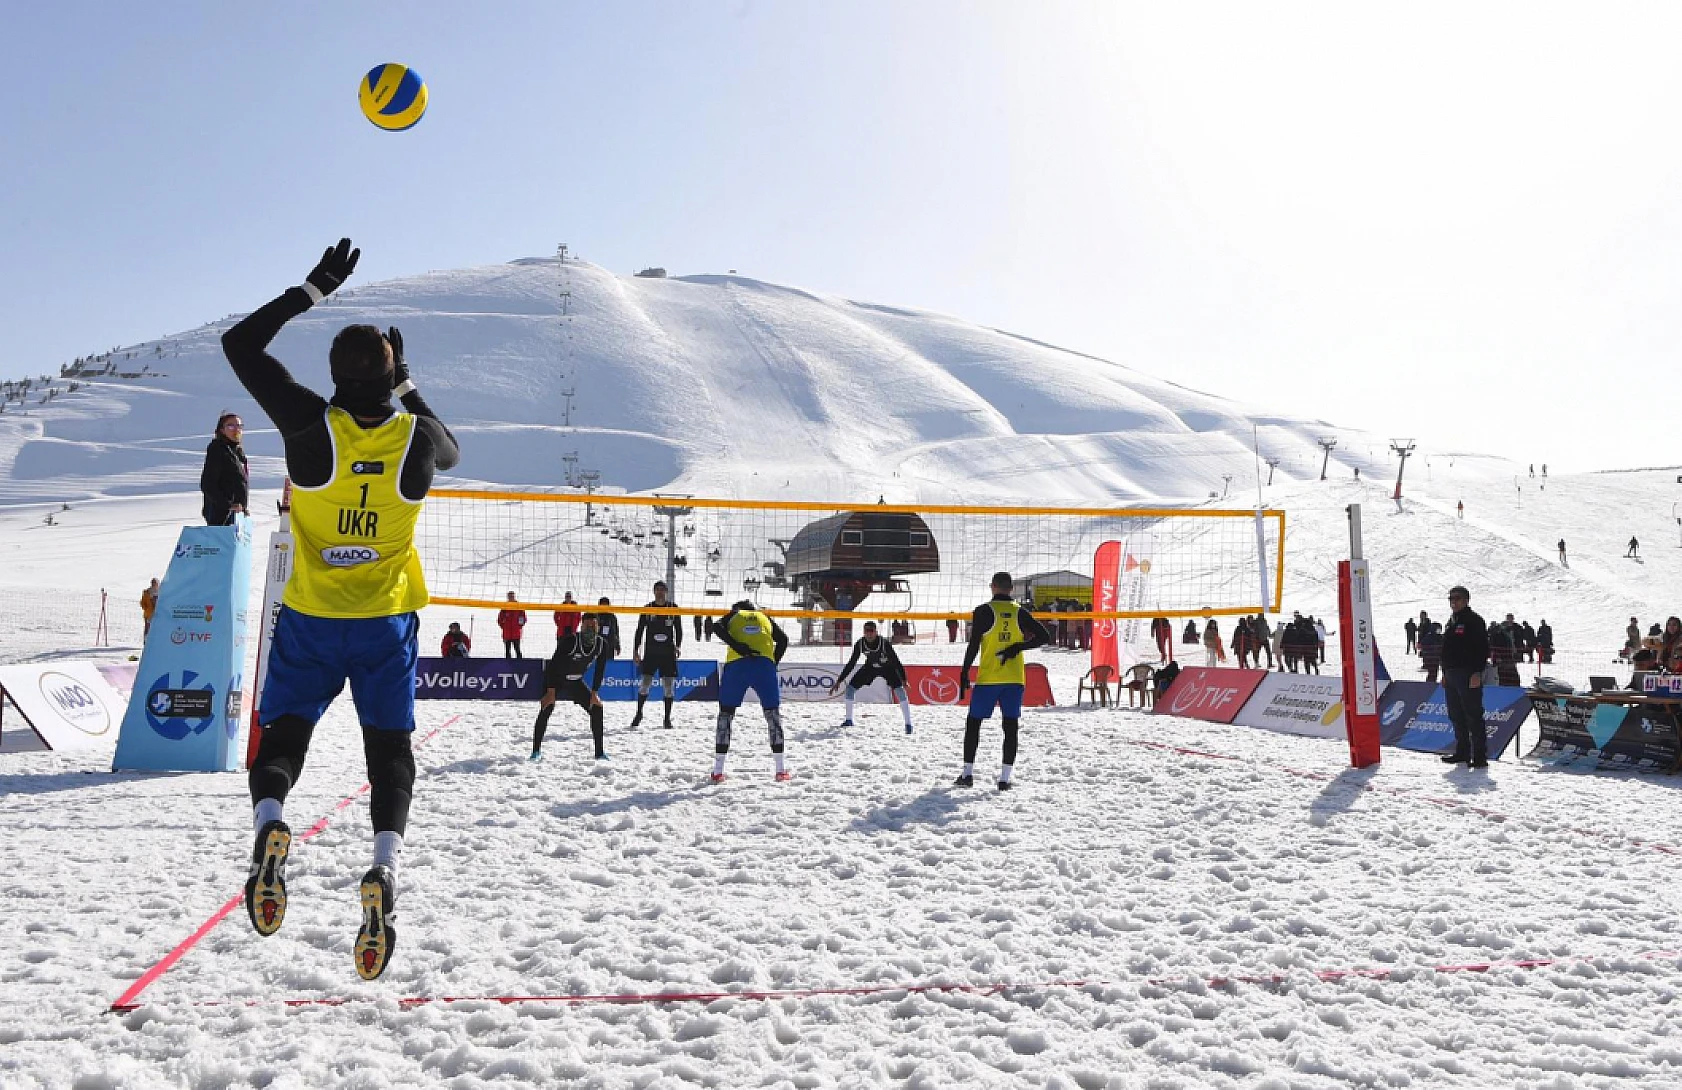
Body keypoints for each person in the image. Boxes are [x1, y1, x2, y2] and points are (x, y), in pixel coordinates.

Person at [225, 239, 460, 981]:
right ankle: (383, 871)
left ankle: (271, 827)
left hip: (311, 617)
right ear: (391, 372)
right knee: (389, 751)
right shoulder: (416, 439)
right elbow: (451, 449)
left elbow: (239, 343)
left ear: (331, 375)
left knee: (286, 733)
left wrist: (315, 288)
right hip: (385, 622)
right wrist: (410, 382)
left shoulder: (307, 424)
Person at [955, 572, 1051, 791]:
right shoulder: (1020, 612)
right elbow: (1044, 637)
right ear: (1010, 589)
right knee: (1010, 727)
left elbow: (973, 645)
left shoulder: (983, 611)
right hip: (1014, 678)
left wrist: (964, 671)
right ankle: (1005, 779)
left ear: (993, 587)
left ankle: (967, 774)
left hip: (989, 677)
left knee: (973, 725)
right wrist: (1018, 647)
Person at [711, 599, 790, 782]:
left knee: (725, 715)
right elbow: (784, 640)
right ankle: (780, 770)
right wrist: (772, 663)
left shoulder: (735, 615)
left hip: (737, 665)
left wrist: (736, 645)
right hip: (763, 665)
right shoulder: (764, 617)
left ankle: (718, 771)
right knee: (773, 716)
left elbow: (716, 626)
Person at [531, 613, 611, 763]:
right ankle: (536, 751)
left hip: (576, 681)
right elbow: (553, 666)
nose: (590, 628)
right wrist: (551, 692)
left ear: (598, 627)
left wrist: (594, 693)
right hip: (557, 680)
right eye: (587, 625)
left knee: (597, 708)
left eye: (593, 625)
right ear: (581, 626)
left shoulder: (601, 644)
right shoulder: (571, 641)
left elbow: (600, 670)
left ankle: (599, 753)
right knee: (546, 708)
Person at [830, 620, 913, 734]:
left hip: (888, 668)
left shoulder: (884, 643)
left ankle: (908, 724)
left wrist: (904, 680)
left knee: (900, 691)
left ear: (876, 632)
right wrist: (840, 680)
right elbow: (852, 663)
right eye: (866, 631)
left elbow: (896, 662)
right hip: (871, 667)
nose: (869, 633)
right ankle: (848, 720)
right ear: (863, 632)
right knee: (850, 689)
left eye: (871, 631)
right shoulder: (860, 643)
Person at [1439, 585, 1490, 768]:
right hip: (1451, 675)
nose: (1454, 602)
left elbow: (1483, 649)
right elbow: (1446, 650)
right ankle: (1462, 753)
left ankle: (1479, 757)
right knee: (1456, 715)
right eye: (1451, 599)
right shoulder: (1451, 621)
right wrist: (1444, 673)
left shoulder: (1474, 620)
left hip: (1468, 674)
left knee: (1473, 715)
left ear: (1466, 600)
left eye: (1458, 598)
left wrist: (1477, 672)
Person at [631, 580, 683, 729]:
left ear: (666, 592)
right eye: (657, 590)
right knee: (645, 685)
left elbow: (678, 630)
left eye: (662, 590)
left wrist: (678, 646)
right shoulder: (648, 609)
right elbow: (639, 630)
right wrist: (636, 650)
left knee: (668, 687)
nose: (660, 592)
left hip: (667, 654)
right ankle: (639, 713)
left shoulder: (673, 608)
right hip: (651, 654)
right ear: (654, 592)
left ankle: (667, 719)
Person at [200, 411, 249, 526]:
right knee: (220, 543)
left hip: (236, 515)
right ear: (222, 430)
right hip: (220, 516)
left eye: (239, 426)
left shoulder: (236, 452)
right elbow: (207, 484)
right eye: (231, 426)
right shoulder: (218, 449)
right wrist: (228, 505)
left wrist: (243, 507)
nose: (236, 429)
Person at [496, 592, 527, 659]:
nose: (511, 598)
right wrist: (504, 627)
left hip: (516, 633)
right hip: (507, 633)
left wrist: (519, 626)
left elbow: (523, 618)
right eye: (510, 596)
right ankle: (508, 666)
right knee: (507, 651)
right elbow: (500, 619)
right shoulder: (504, 607)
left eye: (512, 596)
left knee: (517, 650)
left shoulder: (519, 606)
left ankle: (519, 665)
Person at [593, 597, 622, 662]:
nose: (604, 607)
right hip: (597, 645)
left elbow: (616, 632)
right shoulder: (595, 616)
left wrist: (617, 645)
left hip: (609, 645)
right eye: (602, 605)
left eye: (606, 605)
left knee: (609, 664)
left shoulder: (612, 617)